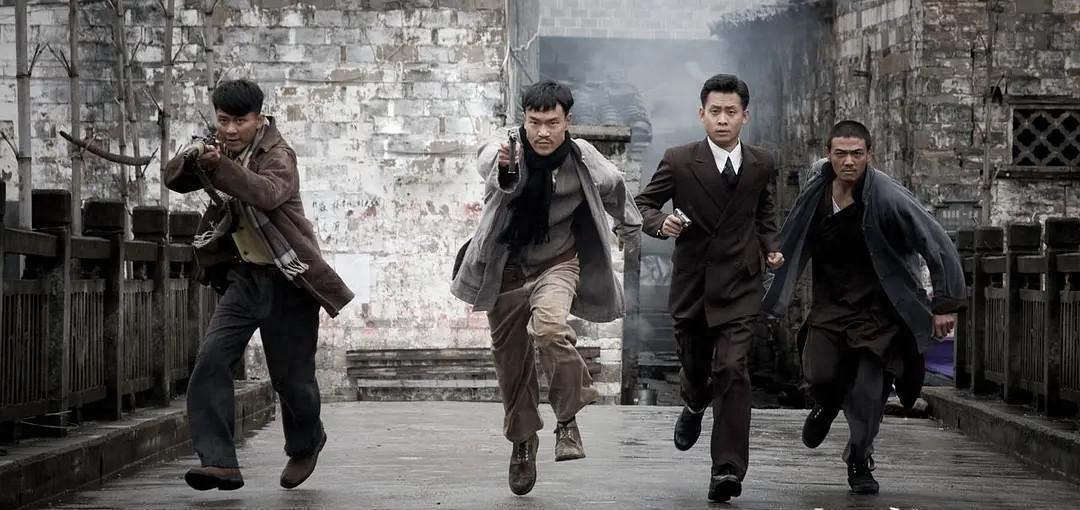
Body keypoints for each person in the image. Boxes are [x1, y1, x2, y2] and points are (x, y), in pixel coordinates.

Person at [451, 80, 641, 496]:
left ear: (567, 121)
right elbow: (490, 163)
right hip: (505, 270)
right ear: (524, 119)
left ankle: (567, 419)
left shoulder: (582, 157)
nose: (542, 132)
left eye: (552, 122)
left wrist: (630, 228)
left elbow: (615, 185)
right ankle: (523, 441)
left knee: (551, 329)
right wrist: (505, 163)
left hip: (558, 263)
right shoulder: (509, 148)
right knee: (511, 365)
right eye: (534, 122)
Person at [164, 79, 354, 491]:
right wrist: (192, 156)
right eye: (223, 121)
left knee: (292, 381)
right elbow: (173, 180)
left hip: (290, 280)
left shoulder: (279, 155)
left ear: (258, 119)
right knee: (211, 360)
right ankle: (219, 462)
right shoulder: (217, 148)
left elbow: (265, 194)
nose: (231, 130)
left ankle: (307, 442)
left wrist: (219, 166)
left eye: (240, 121)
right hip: (245, 278)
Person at [762, 120, 965, 494]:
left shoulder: (888, 197)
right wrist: (767, 293)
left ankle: (859, 458)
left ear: (869, 155)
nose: (849, 162)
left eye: (857, 154)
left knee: (869, 396)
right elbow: (791, 238)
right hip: (831, 305)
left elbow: (936, 242)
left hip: (879, 312)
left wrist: (944, 303)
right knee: (819, 372)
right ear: (829, 154)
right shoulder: (817, 190)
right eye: (841, 154)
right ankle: (826, 404)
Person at [634, 73, 783, 502]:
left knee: (733, 369)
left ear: (744, 116)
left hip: (740, 284)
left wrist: (772, 247)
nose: (722, 120)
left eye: (730, 112)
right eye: (714, 111)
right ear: (701, 114)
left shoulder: (761, 163)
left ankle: (727, 468)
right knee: (697, 370)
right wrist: (662, 223)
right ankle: (694, 402)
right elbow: (644, 203)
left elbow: (764, 213)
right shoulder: (680, 161)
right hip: (694, 286)